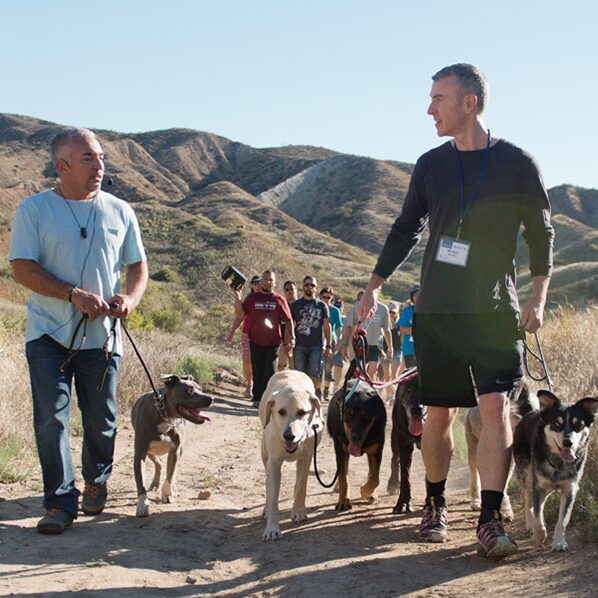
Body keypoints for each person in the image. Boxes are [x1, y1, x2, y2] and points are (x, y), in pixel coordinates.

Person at [359, 63, 554, 558]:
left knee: (494, 409)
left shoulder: (517, 164)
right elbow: (405, 228)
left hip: (493, 312)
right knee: (439, 413)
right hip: (439, 312)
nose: (429, 108)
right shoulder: (430, 165)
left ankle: (490, 518)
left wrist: (538, 296)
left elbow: (540, 233)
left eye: (438, 98)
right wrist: (373, 287)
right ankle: (435, 502)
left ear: (469, 103)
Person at [9, 128, 148, 534]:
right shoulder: (33, 210)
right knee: (50, 420)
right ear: (62, 166)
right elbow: (22, 268)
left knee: (101, 421)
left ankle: (96, 480)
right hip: (47, 335)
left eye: (101, 157)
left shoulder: (120, 210)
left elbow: (137, 265)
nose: (100, 165)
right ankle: (59, 502)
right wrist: (72, 294)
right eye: (89, 158)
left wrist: (130, 298)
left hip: (102, 337)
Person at [235, 270, 294, 407]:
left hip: (273, 342)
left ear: (275, 282)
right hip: (255, 340)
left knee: (270, 370)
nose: (268, 282)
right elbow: (240, 315)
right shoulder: (253, 298)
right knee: (258, 370)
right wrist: (237, 297)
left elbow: (288, 319)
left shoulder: (279, 299)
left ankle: (269, 399)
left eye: (271, 280)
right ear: (261, 281)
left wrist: (292, 337)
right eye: (265, 279)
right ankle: (257, 398)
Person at [290, 276, 332, 398]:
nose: (309, 287)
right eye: (307, 285)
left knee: (314, 373)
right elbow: (290, 324)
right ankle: (299, 398)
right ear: (303, 287)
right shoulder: (296, 305)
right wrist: (289, 340)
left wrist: (328, 345)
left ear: (316, 288)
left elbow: (327, 326)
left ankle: (314, 396)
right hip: (299, 345)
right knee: (299, 374)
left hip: (316, 346)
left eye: (312, 285)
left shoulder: (322, 306)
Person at [225, 274, 261, 397]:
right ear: (251, 285)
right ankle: (249, 384)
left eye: (259, 283)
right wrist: (231, 333)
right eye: (255, 283)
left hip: (264, 334)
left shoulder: (269, 298)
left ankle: (259, 385)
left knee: (260, 362)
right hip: (248, 333)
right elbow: (239, 316)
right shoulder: (249, 299)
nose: (258, 286)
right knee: (247, 359)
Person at [342, 294, 392, 381]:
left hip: (374, 346)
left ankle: (369, 391)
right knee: (359, 373)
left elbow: (387, 330)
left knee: (372, 373)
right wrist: (345, 344)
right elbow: (349, 326)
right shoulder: (357, 306)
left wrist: (390, 348)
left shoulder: (383, 309)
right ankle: (354, 390)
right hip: (359, 345)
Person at [319, 286, 343, 401]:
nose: (326, 299)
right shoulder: (317, 308)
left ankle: (326, 390)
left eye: (329, 297)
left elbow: (339, 327)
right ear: (320, 296)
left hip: (331, 341)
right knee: (317, 366)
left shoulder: (335, 311)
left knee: (328, 367)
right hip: (317, 339)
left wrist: (339, 341)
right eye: (324, 297)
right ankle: (317, 389)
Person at [278, 280, 298, 371]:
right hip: (282, 341)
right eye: (287, 289)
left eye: (291, 289)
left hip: (297, 342)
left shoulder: (300, 305)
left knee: (294, 368)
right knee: (281, 365)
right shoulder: (281, 305)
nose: (289, 291)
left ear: (296, 290)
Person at [398, 285, 420, 369]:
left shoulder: (429, 311)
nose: (417, 297)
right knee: (410, 377)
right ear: (412, 297)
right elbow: (402, 329)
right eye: (415, 295)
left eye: (420, 294)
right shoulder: (407, 310)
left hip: (426, 350)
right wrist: (420, 329)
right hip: (410, 350)